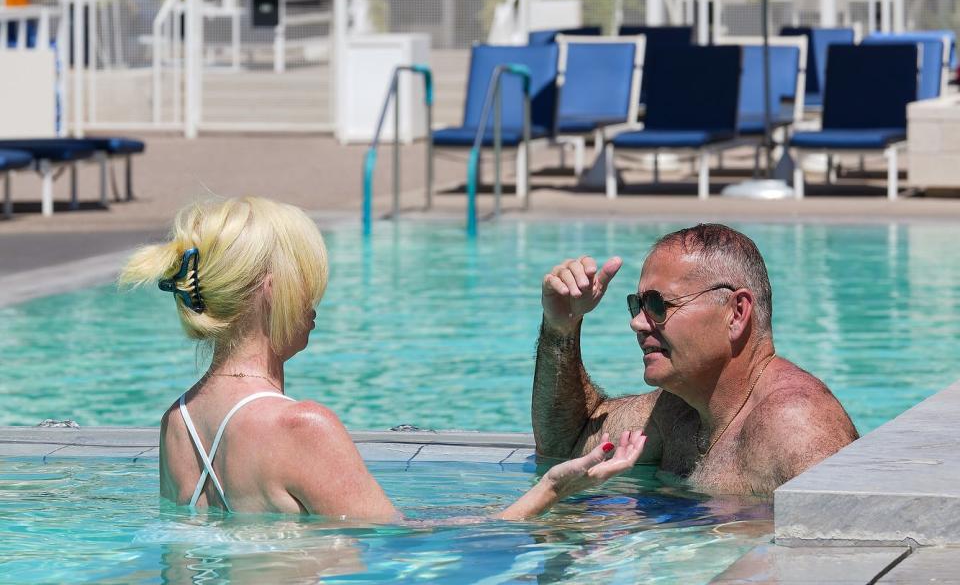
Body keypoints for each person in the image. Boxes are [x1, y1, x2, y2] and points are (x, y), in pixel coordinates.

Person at [121, 196, 645, 520]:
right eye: (308, 281)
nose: (315, 300)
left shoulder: (178, 423)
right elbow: (408, 548)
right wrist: (557, 487)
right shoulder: (302, 427)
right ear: (272, 291)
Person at [532, 223, 858, 497]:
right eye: (638, 305)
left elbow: (848, 554)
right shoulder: (676, 409)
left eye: (658, 305)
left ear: (737, 313)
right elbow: (567, 444)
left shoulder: (795, 426)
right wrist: (561, 328)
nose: (638, 322)